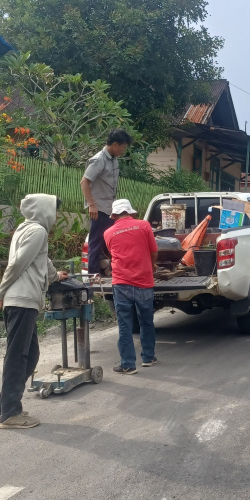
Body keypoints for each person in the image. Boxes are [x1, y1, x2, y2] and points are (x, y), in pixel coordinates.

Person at [0, 194, 68, 429]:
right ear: (44, 210)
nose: (55, 216)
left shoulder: (27, 230)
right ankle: (10, 414)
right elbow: (17, 264)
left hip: (24, 301)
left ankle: (0, 407)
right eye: (54, 211)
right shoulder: (38, 231)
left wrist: (56, 276)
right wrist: (0, 293)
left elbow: (42, 260)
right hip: (21, 300)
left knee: (30, 355)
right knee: (18, 356)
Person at [103, 199, 158, 375]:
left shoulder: (108, 232)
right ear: (131, 212)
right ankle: (148, 358)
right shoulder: (144, 226)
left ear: (114, 215)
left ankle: (128, 364)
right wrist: (151, 265)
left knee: (125, 325)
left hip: (121, 283)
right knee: (146, 322)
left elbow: (113, 255)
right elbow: (154, 251)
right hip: (144, 281)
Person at [80, 128, 134, 276]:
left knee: (111, 240)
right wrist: (92, 205)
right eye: (123, 147)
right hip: (98, 209)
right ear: (115, 144)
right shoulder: (99, 160)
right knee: (95, 242)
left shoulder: (114, 160)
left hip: (110, 208)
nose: (123, 151)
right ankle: (93, 275)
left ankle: (110, 270)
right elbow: (84, 182)